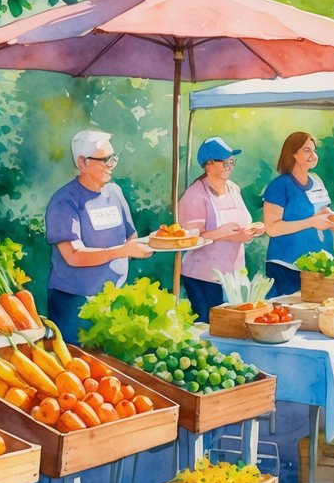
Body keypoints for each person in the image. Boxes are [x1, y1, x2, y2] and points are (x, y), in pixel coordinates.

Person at [44, 130, 153, 341]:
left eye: (113, 157)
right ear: (82, 162)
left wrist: (156, 240)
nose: (111, 164)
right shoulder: (64, 201)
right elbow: (73, 255)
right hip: (75, 303)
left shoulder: (115, 192)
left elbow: (130, 237)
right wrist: (122, 251)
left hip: (115, 299)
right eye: (104, 159)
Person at [177, 137, 264, 322]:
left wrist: (251, 231)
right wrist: (221, 233)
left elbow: (240, 226)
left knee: (234, 326)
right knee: (209, 328)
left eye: (232, 161)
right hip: (204, 278)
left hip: (235, 277)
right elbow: (189, 239)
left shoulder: (233, 189)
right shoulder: (195, 195)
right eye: (225, 162)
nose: (230, 166)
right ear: (208, 165)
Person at [262, 132, 334, 297]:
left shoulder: (317, 181)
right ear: (293, 154)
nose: (313, 155)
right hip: (287, 266)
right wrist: (312, 222)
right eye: (307, 150)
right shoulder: (279, 186)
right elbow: (271, 228)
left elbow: (322, 216)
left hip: (319, 267)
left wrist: (333, 220)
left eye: (314, 151)